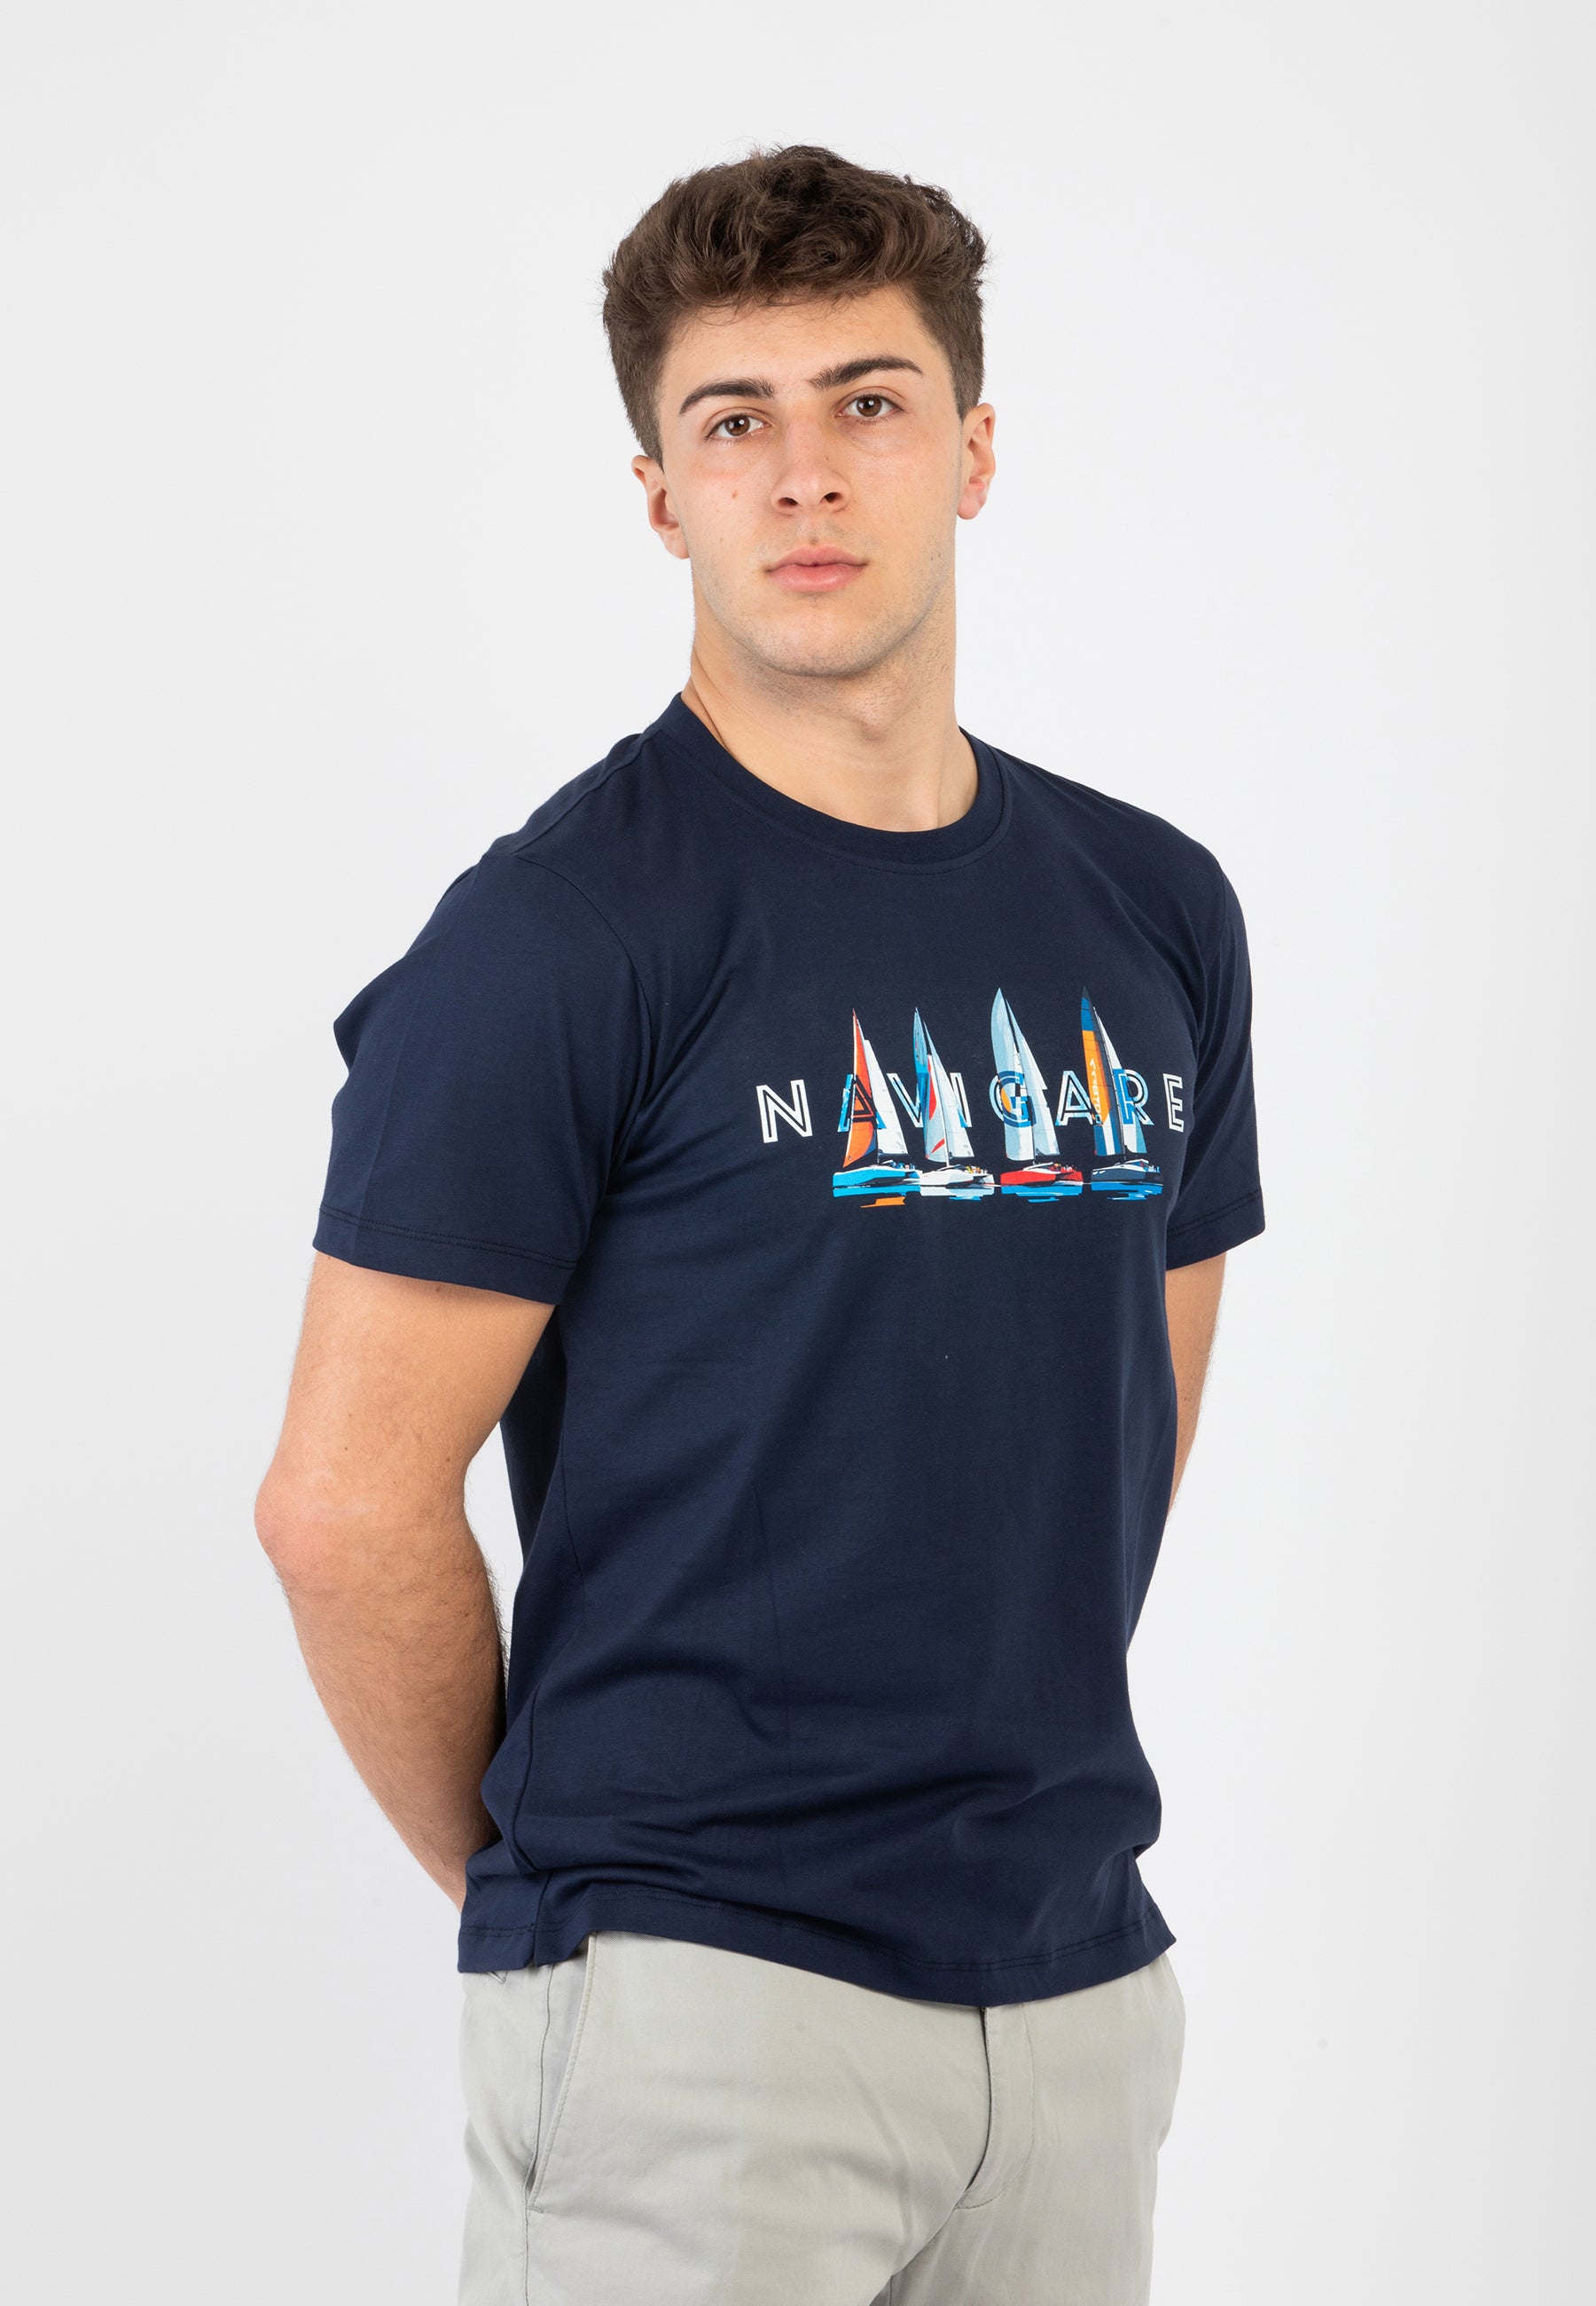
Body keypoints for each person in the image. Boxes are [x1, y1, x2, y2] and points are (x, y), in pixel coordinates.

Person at [256, 143, 1264, 2306]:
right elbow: (340, 1507)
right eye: (735, 422)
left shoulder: (1155, 908)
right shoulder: (563, 935)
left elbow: (1131, 1398)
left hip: (1079, 1987)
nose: (805, 473)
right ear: (662, 497)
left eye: (868, 401)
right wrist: (578, 1901)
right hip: (698, 2012)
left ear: (971, 448)